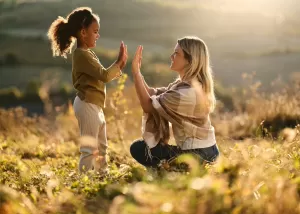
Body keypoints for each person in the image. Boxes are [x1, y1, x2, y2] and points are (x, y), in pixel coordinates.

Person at [47, 7, 128, 172]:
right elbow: (104, 75)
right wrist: (119, 62)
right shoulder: (82, 55)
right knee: (89, 150)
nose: (98, 35)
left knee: (102, 147)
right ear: (83, 33)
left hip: (94, 106)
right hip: (87, 105)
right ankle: (84, 181)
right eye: (95, 31)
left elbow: (102, 75)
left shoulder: (88, 54)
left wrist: (119, 66)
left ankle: (102, 176)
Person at [130, 36, 219, 168]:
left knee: (139, 149)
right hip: (206, 151)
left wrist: (136, 73)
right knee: (141, 147)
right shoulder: (182, 86)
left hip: (199, 154)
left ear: (189, 60)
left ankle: (170, 170)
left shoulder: (186, 92)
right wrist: (138, 71)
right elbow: (152, 93)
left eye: (177, 53)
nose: (172, 56)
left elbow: (148, 106)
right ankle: (168, 169)